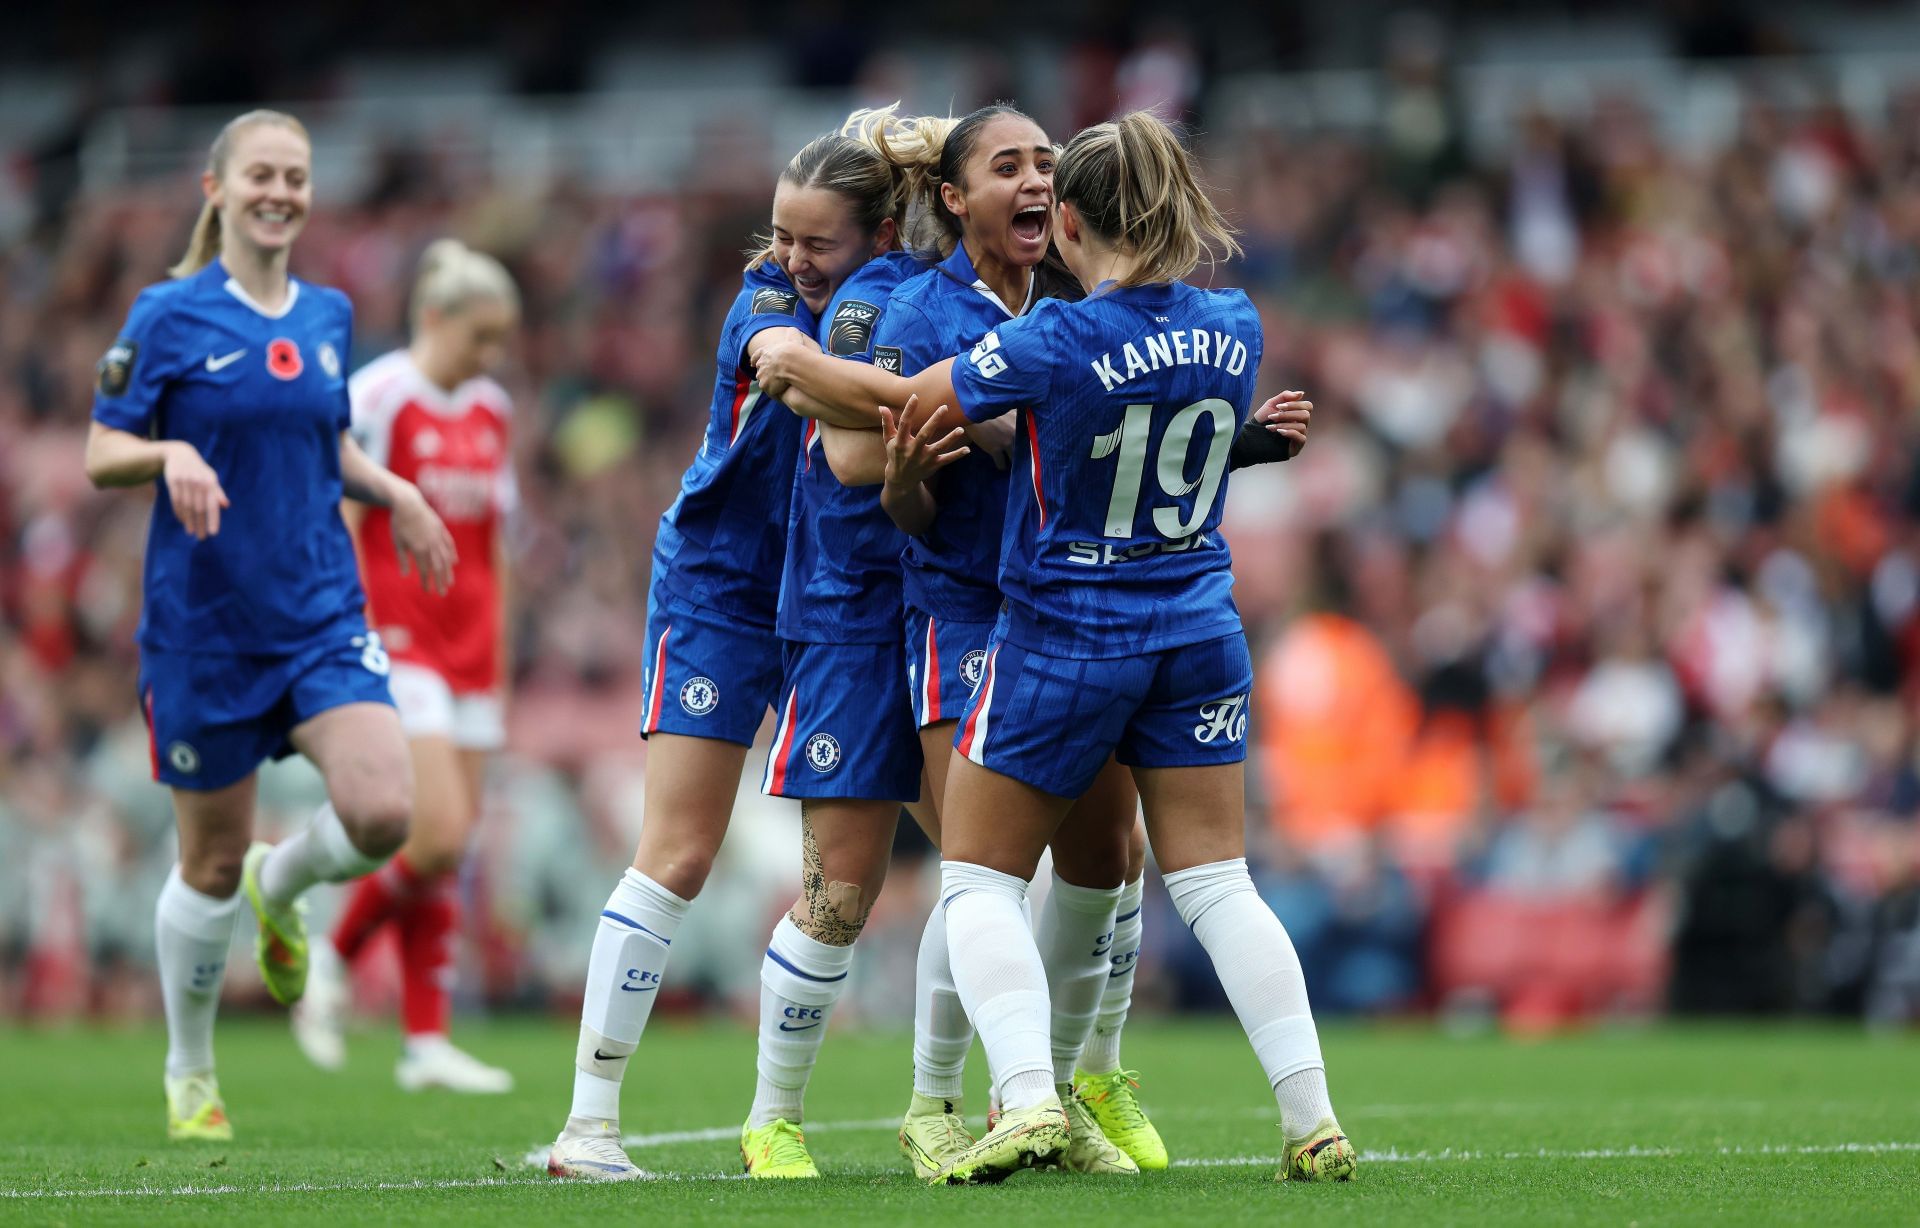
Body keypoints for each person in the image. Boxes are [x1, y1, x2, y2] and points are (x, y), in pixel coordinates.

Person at [754, 104, 1314, 1179]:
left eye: (1045, 166)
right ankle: (930, 1100)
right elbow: (860, 468)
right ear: (956, 197)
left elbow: (1119, 449)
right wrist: (908, 431)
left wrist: (1230, 445)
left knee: (1108, 859)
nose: (1033, 183)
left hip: (1064, 624)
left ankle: (1069, 1081)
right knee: (940, 871)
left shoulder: (1071, 304)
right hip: (958, 613)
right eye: (1006, 166)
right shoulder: (900, 301)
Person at [544, 113, 920, 1180]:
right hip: (721, 586)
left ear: (883, 233)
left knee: (936, 857)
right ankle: (589, 1122)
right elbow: (794, 369)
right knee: (680, 851)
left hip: (843, 593)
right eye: (782, 236)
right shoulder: (762, 306)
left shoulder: (901, 296)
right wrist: (972, 404)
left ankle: (932, 1097)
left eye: (817, 242)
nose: (791, 260)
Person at [82, 110, 456, 1141]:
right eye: (261, 174)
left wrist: (400, 494)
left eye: (294, 175)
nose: (280, 190)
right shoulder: (167, 316)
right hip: (203, 630)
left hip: (320, 617)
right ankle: (191, 1070)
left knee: (384, 811)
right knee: (204, 861)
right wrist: (168, 456)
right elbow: (100, 449)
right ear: (217, 187)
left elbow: (325, 446)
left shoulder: (329, 314)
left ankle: (280, 886)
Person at [290, 239, 522, 1094]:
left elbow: (498, 543)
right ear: (434, 319)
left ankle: (425, 1042)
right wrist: (347, 630)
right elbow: (338, 517)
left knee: (443, 852)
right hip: (397, 635)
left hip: (469, 644)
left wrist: (499, 653)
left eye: (500, 342)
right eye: (479, 337)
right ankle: (335, 954)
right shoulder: (379, 396)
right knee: (439, 832)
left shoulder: (492, 408)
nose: (490, 358)